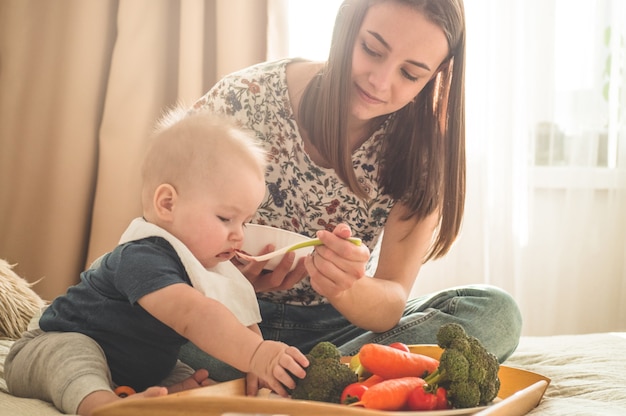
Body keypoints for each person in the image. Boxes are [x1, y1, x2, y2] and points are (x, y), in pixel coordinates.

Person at [180, 0, 523, 385]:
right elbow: (158, 232)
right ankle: (322, 383)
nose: (380, 81)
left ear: (435, 78)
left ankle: (306, 379)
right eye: (372, 50)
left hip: (338, 336)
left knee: (496, 313)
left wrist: (349, 287)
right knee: (135, 302)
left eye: (410, 74)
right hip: (223, 324)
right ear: (347, 25)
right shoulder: (244, 99)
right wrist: (221, 273)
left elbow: (391, 299)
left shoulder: (421, 150)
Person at [5, 111, 309, 416]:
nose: (238, 236)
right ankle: (102, 407)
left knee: (193, 377)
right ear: (168, 203)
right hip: (48, 349)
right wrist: (256, 355)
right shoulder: (141, 256)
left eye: (245, 222)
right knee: (74, 355)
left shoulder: (209, 265)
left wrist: (253, 367)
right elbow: (195, 315)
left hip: (129, 370)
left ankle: (161, 399)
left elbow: (241, 316)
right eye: (226, 218)